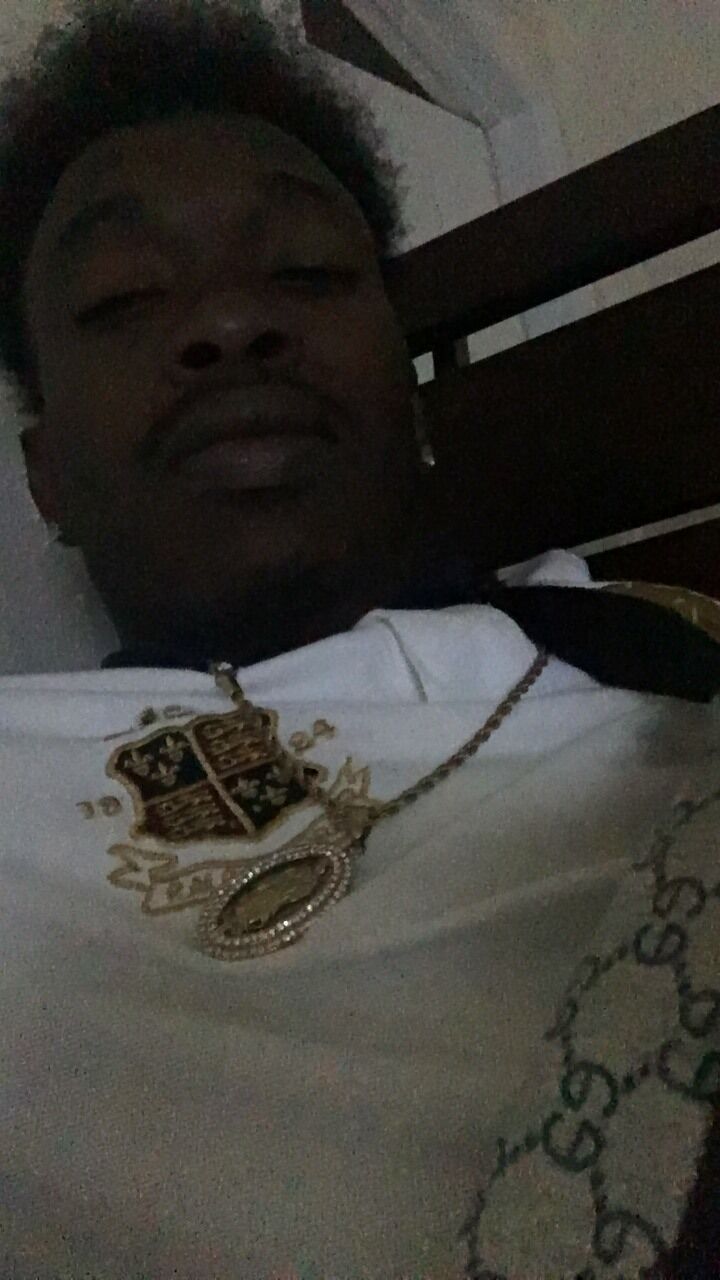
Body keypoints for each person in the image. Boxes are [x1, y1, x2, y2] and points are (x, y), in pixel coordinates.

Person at [0, 2, 718, 1277]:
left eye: (306, 273)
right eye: (124, 297)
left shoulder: (656, 661)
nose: (230, 324)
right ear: (44, 473)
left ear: (410, 383)